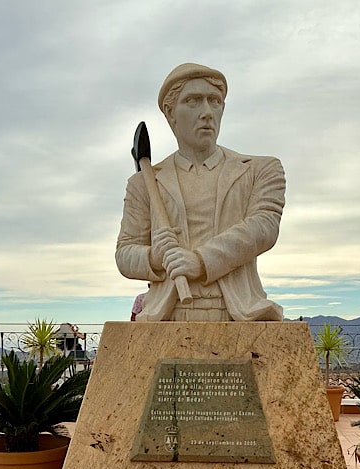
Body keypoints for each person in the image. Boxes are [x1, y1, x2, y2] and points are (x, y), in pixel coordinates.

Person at [116, 62, 285, 322]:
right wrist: (155, 257)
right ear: (171, 113)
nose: (207, 112)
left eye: (214, 101)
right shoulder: (143, 184)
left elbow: (263, 228)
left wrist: (200, 260)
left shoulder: (260, 170)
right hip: (167, 317)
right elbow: (125, 254)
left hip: (238, 314)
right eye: (193, 101)